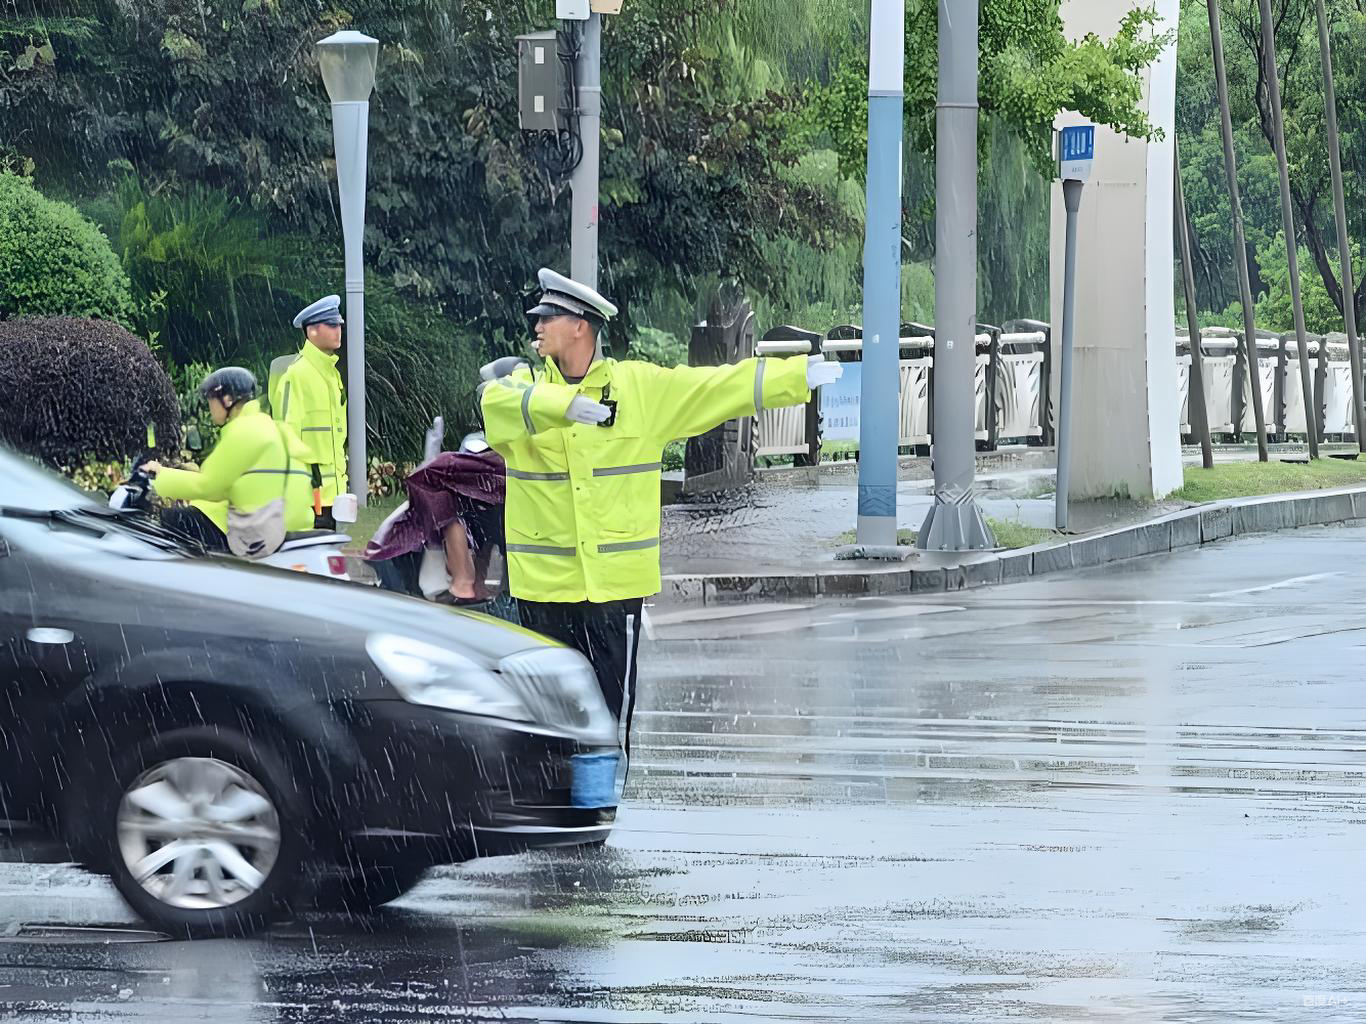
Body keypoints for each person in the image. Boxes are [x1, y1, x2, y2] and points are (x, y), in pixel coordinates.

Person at [479, 268, 842, 765]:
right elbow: (496, 404)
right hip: (545, 590)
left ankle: (594, 813)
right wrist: (567, 406)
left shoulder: (637, 390)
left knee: (606, 713)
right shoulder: (522, 388)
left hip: (614, 591)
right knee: (543, 714)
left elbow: (717, 387)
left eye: (549, 316)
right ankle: (551, 807)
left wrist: (795, 377)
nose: (536, 325)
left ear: (581, 325)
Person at [142, 367, 315, 552]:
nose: (209, 407)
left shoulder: (245, 430)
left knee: (168, 520)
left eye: (211, 400)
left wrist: (156, 480)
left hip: (256, 532)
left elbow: (208, 487)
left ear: (227, 400)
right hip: (292, 527)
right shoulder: (276, 428)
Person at [364, 432, 507, 606]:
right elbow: (463, 584)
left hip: (420, 590)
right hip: (425, 591)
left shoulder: (453, 495)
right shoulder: (453, 502)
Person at [272, 294, 348, 529]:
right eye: (332, 325)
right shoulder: (296, 374)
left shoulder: (331, 374)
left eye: (339, 325)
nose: (339, 331)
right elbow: (285, 437)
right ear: (312, 331)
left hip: (336, 496)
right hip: (309, 500)